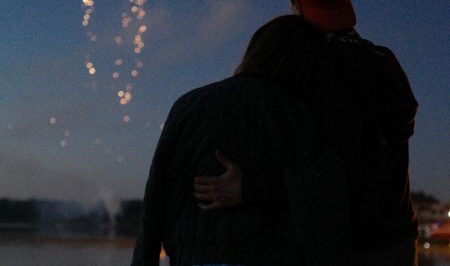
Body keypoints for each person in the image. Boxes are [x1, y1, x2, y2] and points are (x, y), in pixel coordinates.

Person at [194, 0, 419, 266]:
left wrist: (248, 189)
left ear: (295, 4)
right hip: (398, 242)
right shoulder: (385, 61)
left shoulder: (311, 70)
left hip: (342, 246)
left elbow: (333, 175)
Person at [131, 15, 351, 266]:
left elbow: (156, 196)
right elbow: (322, 200)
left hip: (193, 257)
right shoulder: (300, 117)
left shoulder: (188, 106)